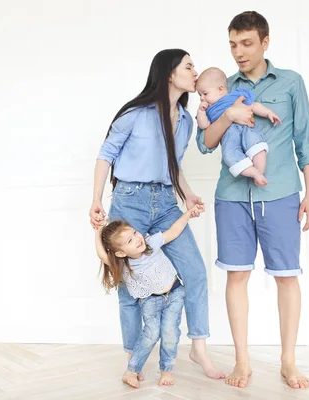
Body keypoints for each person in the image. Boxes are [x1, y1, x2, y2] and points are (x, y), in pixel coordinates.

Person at [89, 48, 239, 379]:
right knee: (129, 285)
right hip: (129, 201)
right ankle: (134, 356)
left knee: (195, 272)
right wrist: (97, 199)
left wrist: (188, 195)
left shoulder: (185, 121)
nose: (195, 71)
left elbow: (175, 166)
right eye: (189, 66)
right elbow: (106, 154)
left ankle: (199, 349)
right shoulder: (136, 113)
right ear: (170, 73)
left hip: (166, 202)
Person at [196, 11, 309, 389]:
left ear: (265, 42)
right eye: (233, 44)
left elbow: (306, 140)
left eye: (247, 43)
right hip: (232, 196)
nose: (239, 52)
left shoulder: (291, 83)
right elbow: (205, 143)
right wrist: (229, 114)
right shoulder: (219, 87)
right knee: (237, 275)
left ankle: (288, 361)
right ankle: (242, 362)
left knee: (287, 278)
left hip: (281, 193)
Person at [94, 204, 204, 388]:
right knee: (151, 333)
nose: (137, 239)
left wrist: (188, 214)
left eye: (135, 233)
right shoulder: (123, 263)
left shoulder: (151, 243)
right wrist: (98, 231)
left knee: (169, 332)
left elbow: (173, 231)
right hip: (150, 300)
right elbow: (101, 254)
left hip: (175, 293)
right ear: (120, 253)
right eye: (129, 241)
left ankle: (166, 370)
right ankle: (132, 370)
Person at [196, 67, 282, 186]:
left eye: (205, 93)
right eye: (200, 95)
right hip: (228, 136)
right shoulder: (209, 110)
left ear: (220, 89)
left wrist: (268, 113)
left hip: (246, 128)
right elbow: (204, 125)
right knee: (230, 155)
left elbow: (253, 105)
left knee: (256, 144)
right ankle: (253, 172)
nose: (202, 98)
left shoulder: (235, 95)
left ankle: (260, 171)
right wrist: (201, 113)